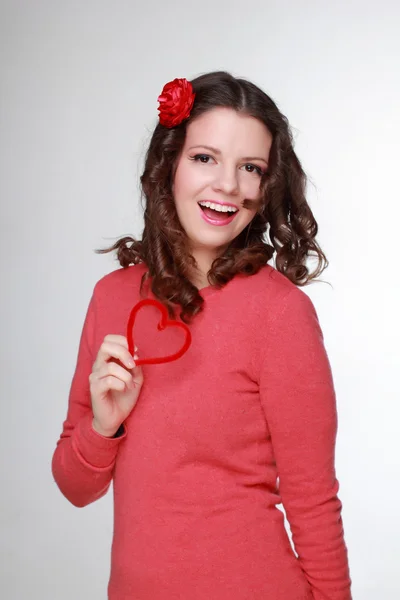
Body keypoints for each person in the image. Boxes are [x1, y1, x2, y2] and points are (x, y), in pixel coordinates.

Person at [51, 71, 352, 599]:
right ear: (169, 163)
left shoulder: (281, 314)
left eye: (250, 168)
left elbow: (313, 499)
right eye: (205, 157)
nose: (229, 186)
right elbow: (75, 488)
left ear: (268, 184)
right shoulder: (112, 297)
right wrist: (104, 426)